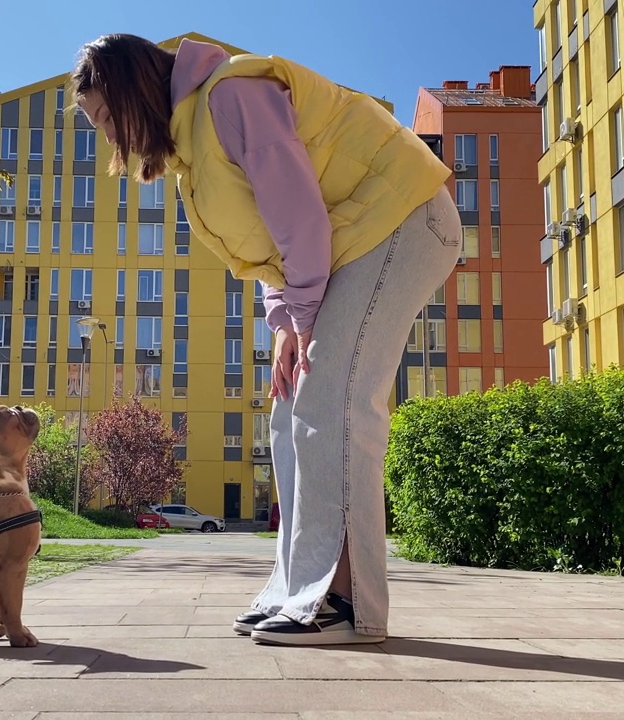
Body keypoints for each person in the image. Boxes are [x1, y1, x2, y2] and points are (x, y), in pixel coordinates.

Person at [69, 33, 462, 646]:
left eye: (104, 117)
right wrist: (286, 325)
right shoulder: (191, 153)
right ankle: (297, 588)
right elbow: (263, 247)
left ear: (132, 91)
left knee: (331, 402)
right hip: (349, 244)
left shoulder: (231, 95)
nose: (107, 136)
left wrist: (304, 319)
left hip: (401, 217)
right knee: (288, 412)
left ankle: (345, 602)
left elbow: (298, 215)